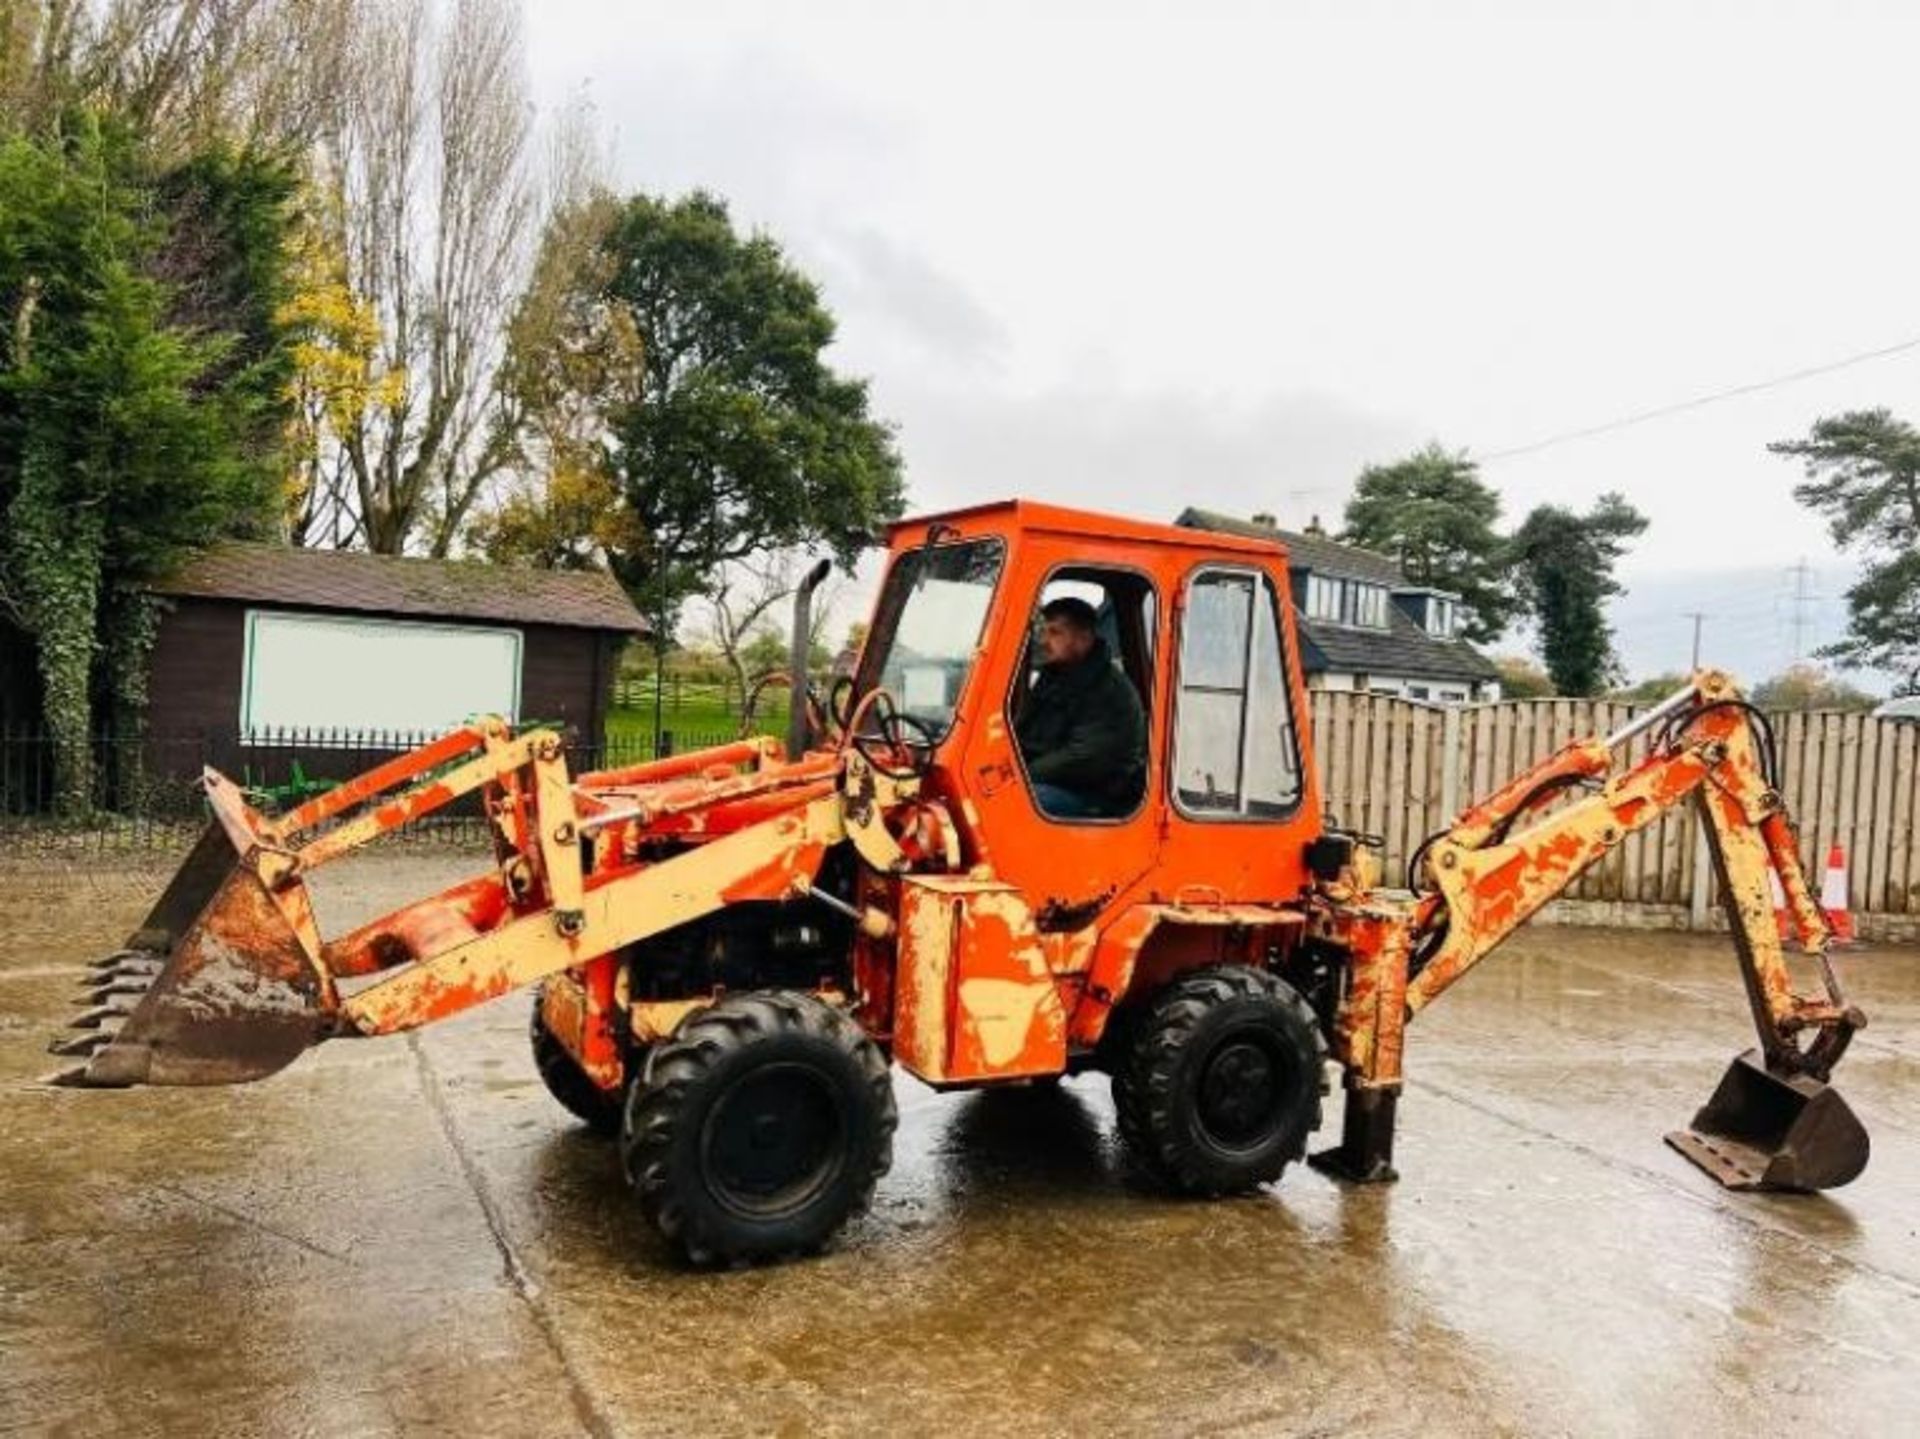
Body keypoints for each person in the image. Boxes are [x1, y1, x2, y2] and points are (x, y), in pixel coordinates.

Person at [1014, 596, 1147, 818]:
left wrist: (1021, 774)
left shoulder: (1108, 690)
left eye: (1055, 633)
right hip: (1058, 780)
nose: (1044, 641)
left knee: (1012, 801)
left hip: (1096, 794)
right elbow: (1027, 730)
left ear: (1084, 638)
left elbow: (1083, 757)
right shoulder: (1055, 676)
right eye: (1045, 632)